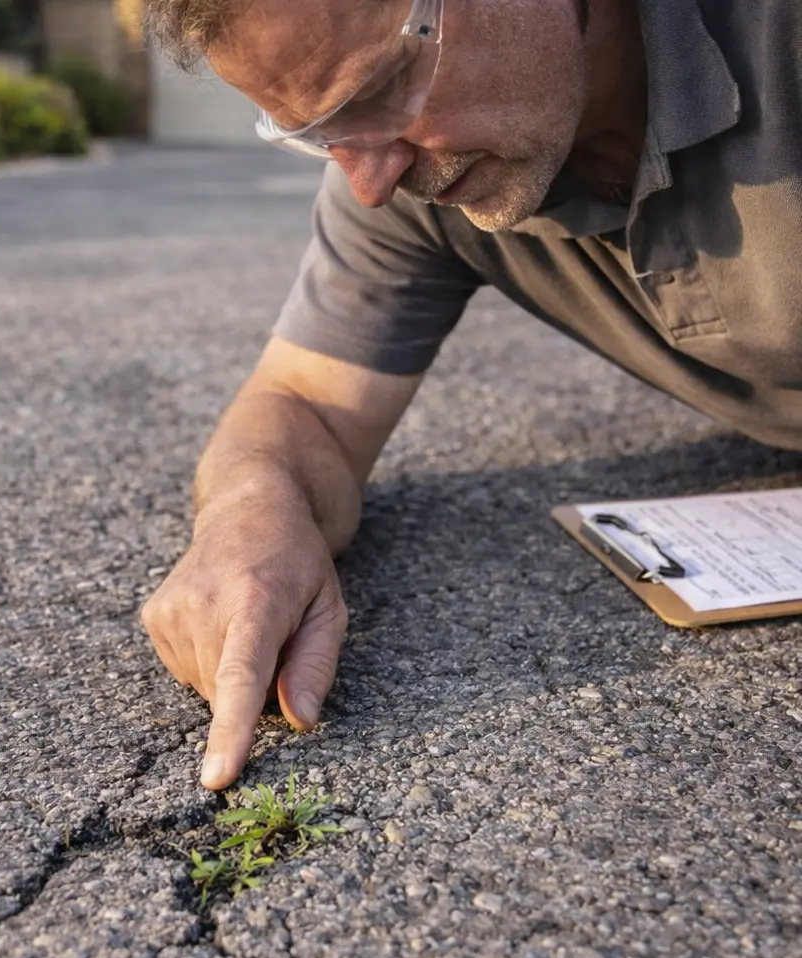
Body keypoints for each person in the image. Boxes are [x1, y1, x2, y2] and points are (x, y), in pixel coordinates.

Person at [139, 0, 802, 790]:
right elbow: (305, 404)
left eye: (384, 88)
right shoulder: (408, 180)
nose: (371, 180)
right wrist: (248, 513)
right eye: (319, 136)